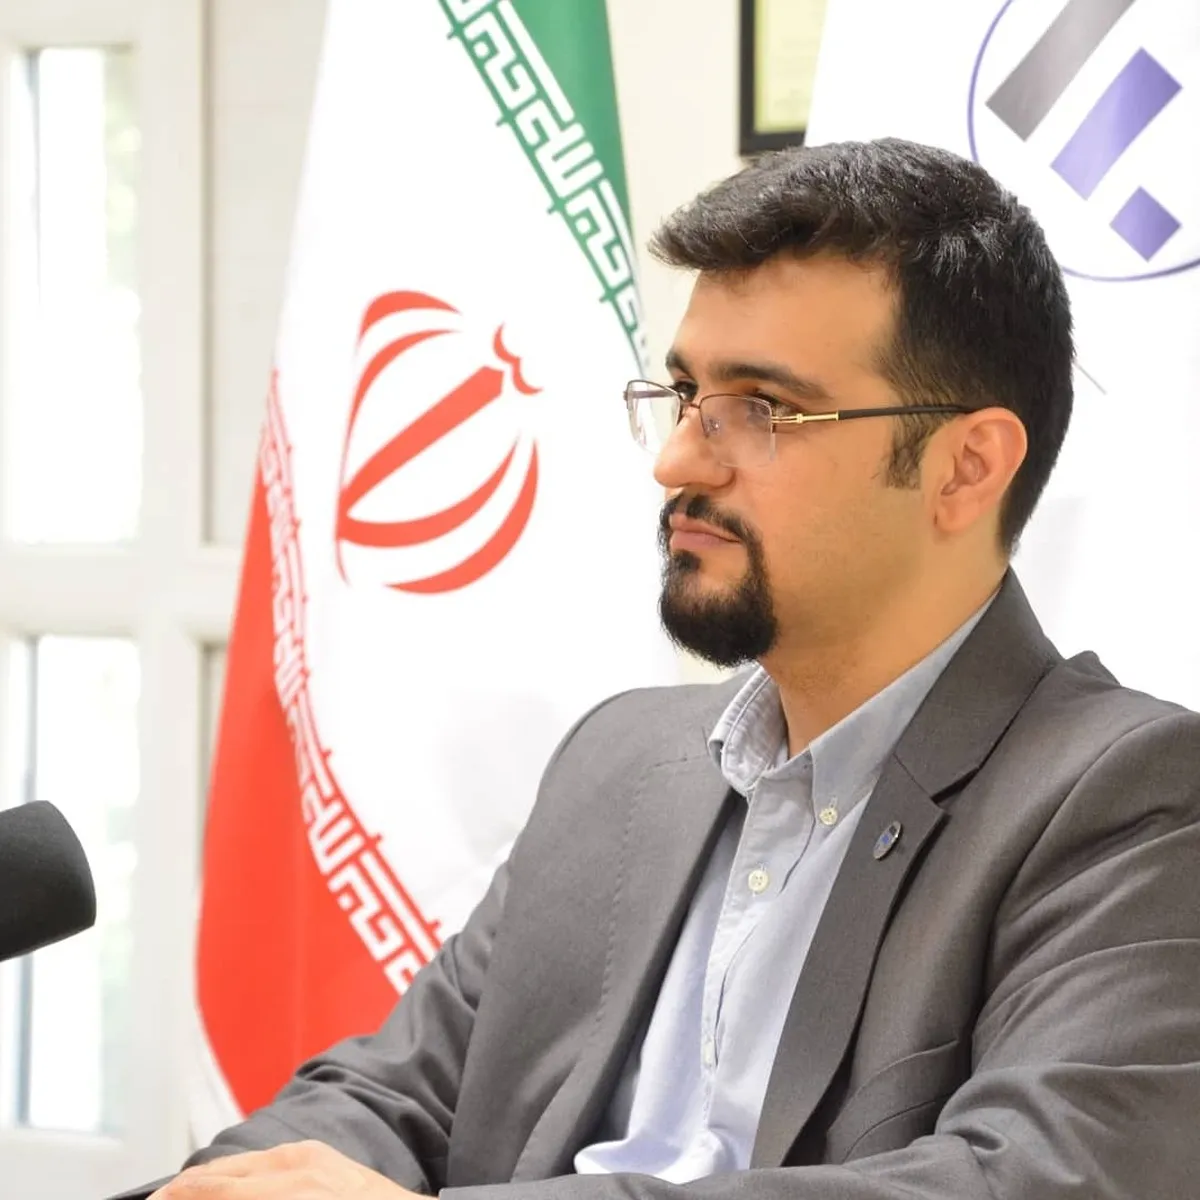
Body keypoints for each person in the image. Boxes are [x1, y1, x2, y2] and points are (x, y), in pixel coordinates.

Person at [123, 138, 1200, 1200]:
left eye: (760, 410)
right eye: (685, 395)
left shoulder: (1128, 802)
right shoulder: (623, 760)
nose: (678, 460)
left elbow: (1033, 1178)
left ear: (966, 467)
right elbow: (395, 1096)